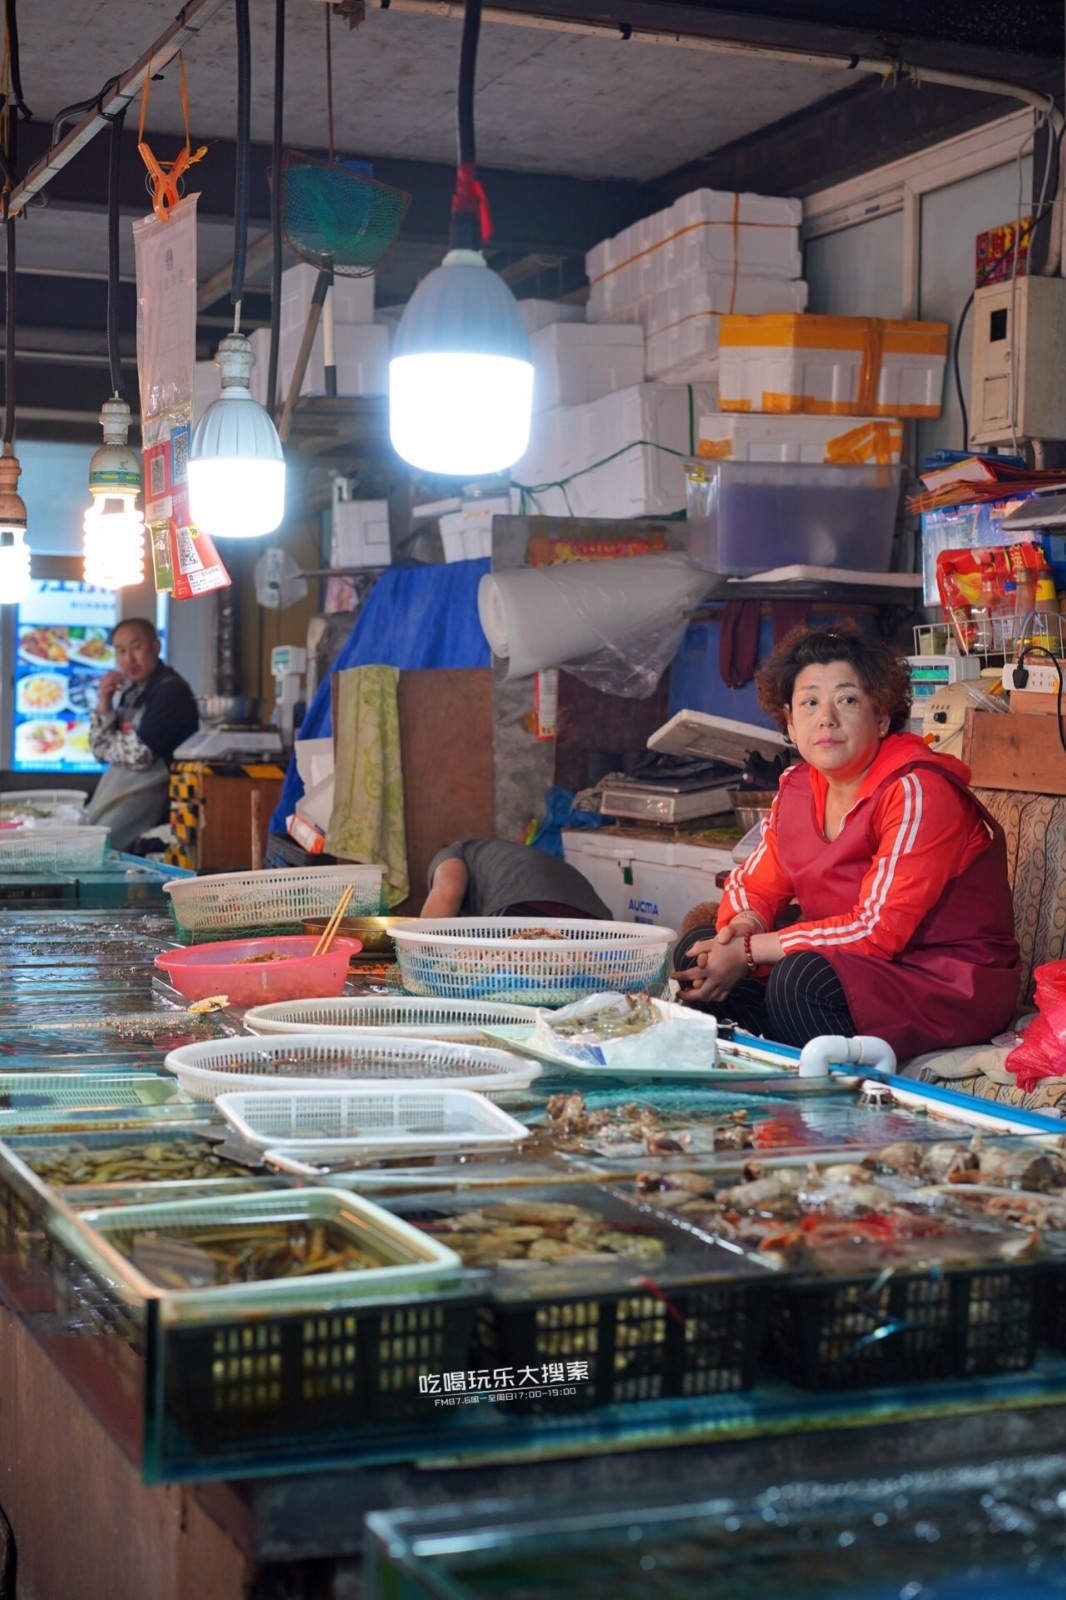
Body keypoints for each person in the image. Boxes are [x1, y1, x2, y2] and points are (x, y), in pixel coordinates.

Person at [671, 623, 1020, 1060]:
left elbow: (878, 929)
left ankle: (822, 1105)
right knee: (696, 953)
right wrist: (739, 933)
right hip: (853, 967)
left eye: (847, 699)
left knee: (800, 980)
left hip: (943, 981)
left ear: (881, 717)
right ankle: (758, 1083)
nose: (827, 718)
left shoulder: (917, 790)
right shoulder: (797, 787)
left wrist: (748, 951)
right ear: (791, 725)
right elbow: (754, 885)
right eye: (810, 702)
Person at [87, 617, 199, 854]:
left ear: (155, 647)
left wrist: (108, 747)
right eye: (120, 650)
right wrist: (104, 702)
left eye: (136, 647)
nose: (129, 658)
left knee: (99, 850)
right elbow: (98, 750)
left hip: (157, 804)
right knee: (91, 845)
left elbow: (140, 754)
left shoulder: (171, 691)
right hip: (124, 793)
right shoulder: (131, 691)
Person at [422, 838, 612, 919]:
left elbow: (447, 892)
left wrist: (408, 961)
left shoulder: (450, 854)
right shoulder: (496, 855)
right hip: (598, 923)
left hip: (525, 906)